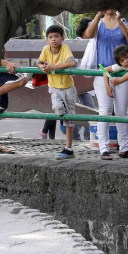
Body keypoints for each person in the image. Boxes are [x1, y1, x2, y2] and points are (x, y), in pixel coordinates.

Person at [83, 10, 128, 160]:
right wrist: (97, 15)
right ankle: (104, 148)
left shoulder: (122, 20)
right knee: (104, 111)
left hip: (122, 71)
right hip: (103, 70)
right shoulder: (98, 22)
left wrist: (120, 21)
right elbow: (88, 34)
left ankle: (124, 148)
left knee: (122, 111)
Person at [37, 25, 78, 159]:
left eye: (56, 36)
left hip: (68, 88)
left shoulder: (65, 48)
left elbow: (72, 63)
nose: (53, 39)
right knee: (57, 107)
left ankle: (68, 148)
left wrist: (54, 67)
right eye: (50, 37)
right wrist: (42, 67)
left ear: (62, 38)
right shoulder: (45, 49)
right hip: (54, 87)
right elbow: (39, 62)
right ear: (47, 40)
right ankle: (62, 118)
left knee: (70, 119)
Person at [0, 50, 29, 154]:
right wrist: (5, 63)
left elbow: (2, 51)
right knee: (23, 78)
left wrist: (4, 61)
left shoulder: (1, 40)